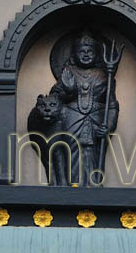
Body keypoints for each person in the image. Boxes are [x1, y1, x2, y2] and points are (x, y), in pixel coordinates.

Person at [51, 31, 119, 187]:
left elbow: (113, 105)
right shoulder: (68, 72)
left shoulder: (104, 75)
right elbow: (54, 99)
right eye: (82, 51)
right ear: (74, 54)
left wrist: (108, 126)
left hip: (96, 120)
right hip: (72, 120)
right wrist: (67, 90)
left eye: (90, 52)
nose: (86, 55)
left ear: (96, 55)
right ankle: (73, 185)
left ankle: (94, 185)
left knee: (93, 154)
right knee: (73, 153)